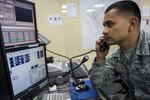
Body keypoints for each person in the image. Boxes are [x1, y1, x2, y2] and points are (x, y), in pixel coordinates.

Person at [89, 0, 150, 100]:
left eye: (110, 24)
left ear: (132, 24)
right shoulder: (116, 57)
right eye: (104, 26)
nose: (104, 31)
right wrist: (100, 58)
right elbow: (99, 84)